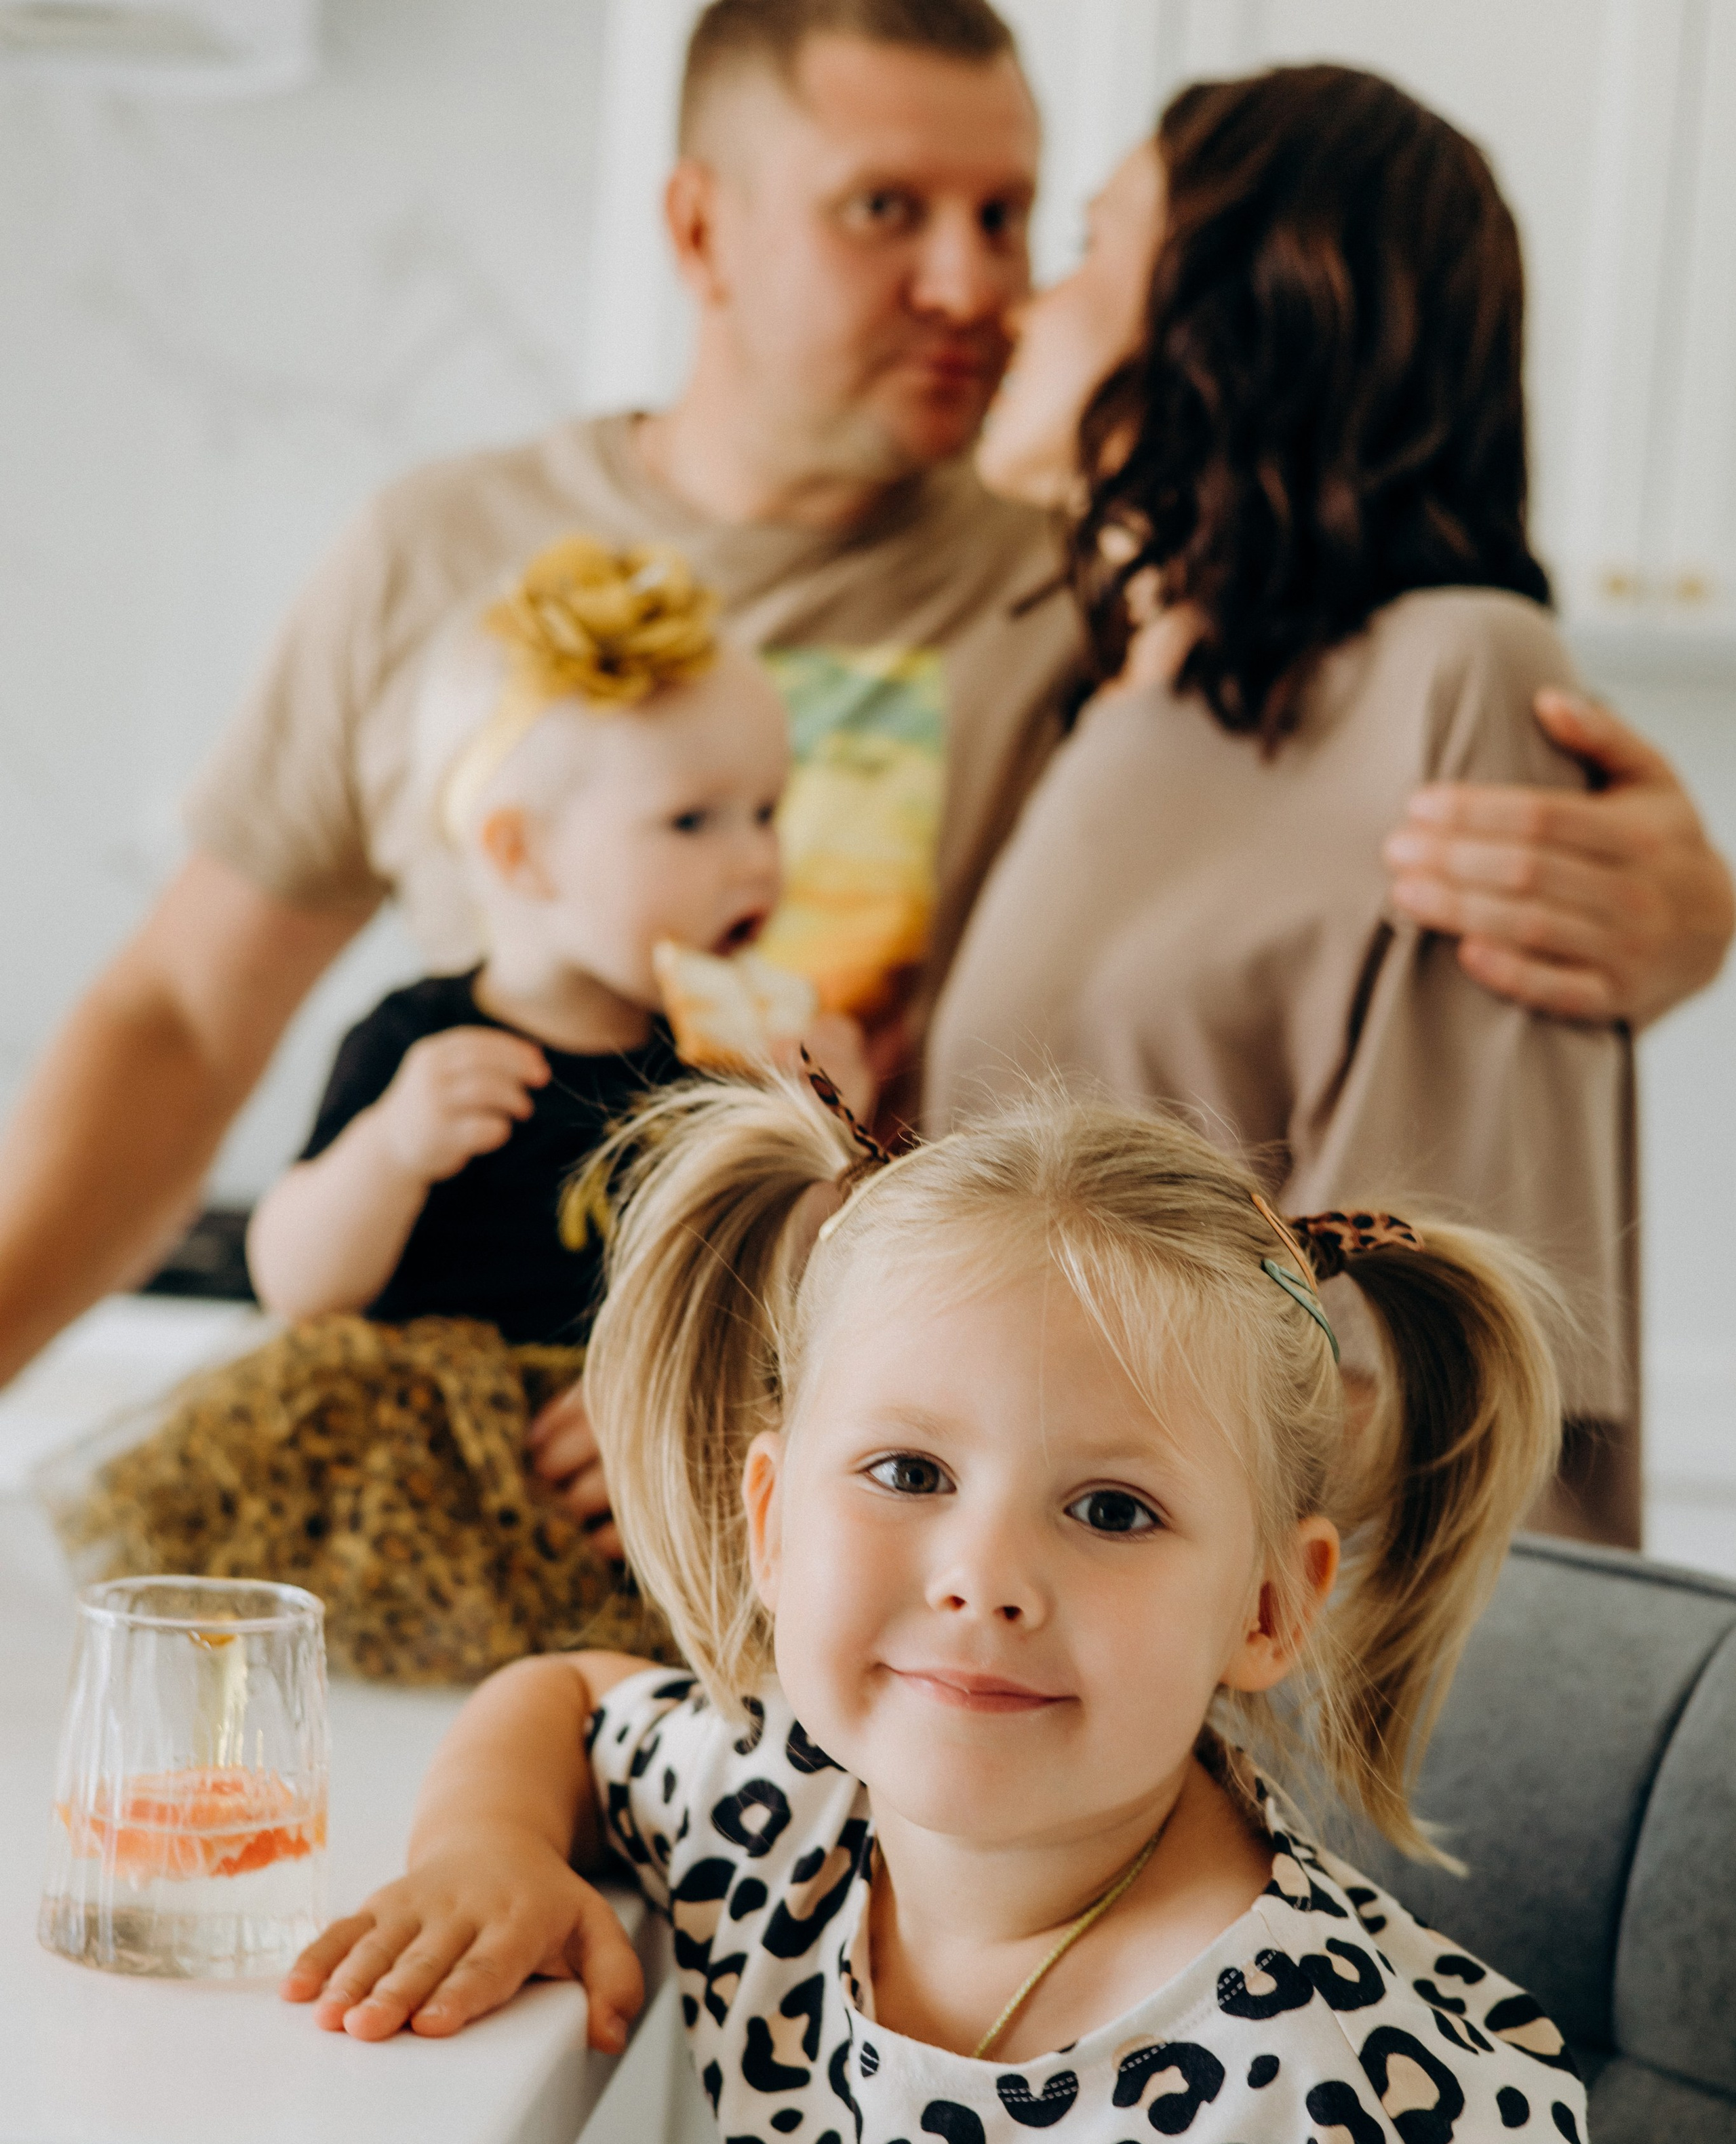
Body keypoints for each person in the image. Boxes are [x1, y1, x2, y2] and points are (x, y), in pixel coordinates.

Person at [0, 0, 1725, 1475]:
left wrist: (1673, 912)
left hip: (857, 1505)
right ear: (698, 232)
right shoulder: (433, 554)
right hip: (481, 1467)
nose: (969, 284)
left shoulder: (1105, 582)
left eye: (1014, 216)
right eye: (884, 209)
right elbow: (174, 1017)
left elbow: (1317, 896)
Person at [244, 1071, 1586, 2144]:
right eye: (907, 1474)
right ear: (769, 1518)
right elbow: (565, 1697)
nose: (983, 1575)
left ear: (1269, 1606)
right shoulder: (778, 1819)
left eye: (1111, 1510)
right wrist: (485, 1847)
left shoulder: (1390, 2128)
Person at [932, 64, 1642, 1543]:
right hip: (1028, 1633)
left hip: (1307, 1680)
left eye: (1085, 251)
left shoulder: (1454, 676)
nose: (1018, 308)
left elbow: (1447, 1360)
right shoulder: (1075, 690)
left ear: (1231, 317)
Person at [51, 538, 867, 1684]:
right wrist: (390, 1150)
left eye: (767, 811)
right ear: (519, 853)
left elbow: (794, 1292)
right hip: (404, 1471)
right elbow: (298, 1281)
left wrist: (827, 1127)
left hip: (616, 1478)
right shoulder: (418, 1043)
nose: (758, 860)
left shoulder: (724, 1070)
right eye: (694, 822)